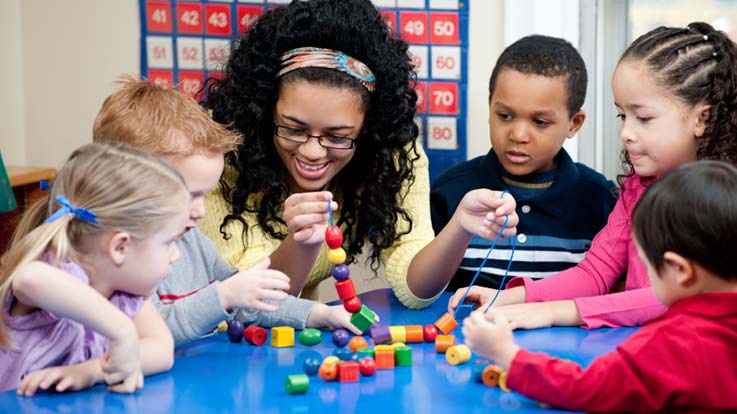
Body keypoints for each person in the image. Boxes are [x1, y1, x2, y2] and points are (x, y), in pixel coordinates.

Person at [200, 0, 517, 309]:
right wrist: (301, 242)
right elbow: (251, 306)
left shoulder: (392, 152)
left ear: (367, 128)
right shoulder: (219, 155)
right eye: (293, 128)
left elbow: (415, 289)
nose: (312, 151)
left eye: (337, 136)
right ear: (267, 109)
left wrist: (460, 227)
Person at [449, 21, 737, 329]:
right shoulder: (638, 189)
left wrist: (554, 312)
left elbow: (669, 297)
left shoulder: (723, 202)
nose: (626, 133)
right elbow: (596, 272)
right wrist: (509, 297)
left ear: (702, 119)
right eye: (622, 116)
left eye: (643, 118)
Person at [92, 76, 366, 345]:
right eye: (189, 196)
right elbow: (149, 335)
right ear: (127, 184)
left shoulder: (191, 240)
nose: (200, 211)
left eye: (204, 194)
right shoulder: (116, 254)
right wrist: (222, 296)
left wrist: (320, 314)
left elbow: (248, 299)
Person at [463, 161, 737, 412]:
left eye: (647, 266)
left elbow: (587, 388)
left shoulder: (670, 344)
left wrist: (506, 354)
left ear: (679, 271)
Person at [0, 143, 190, 395]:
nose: (176, 256)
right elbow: (27, 278)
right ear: (120, 247)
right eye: (170, 242)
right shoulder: (61, 272)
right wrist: (122, 331)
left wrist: (92, 371)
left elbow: (162, 349)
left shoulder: (127, 294)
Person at [431, 35, 616, 292]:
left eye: (540, 122)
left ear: (574, 124)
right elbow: (423, 291)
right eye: (504, 116)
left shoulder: (601, 201)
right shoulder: (449, 192)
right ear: (489, 107)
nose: (518, 135)